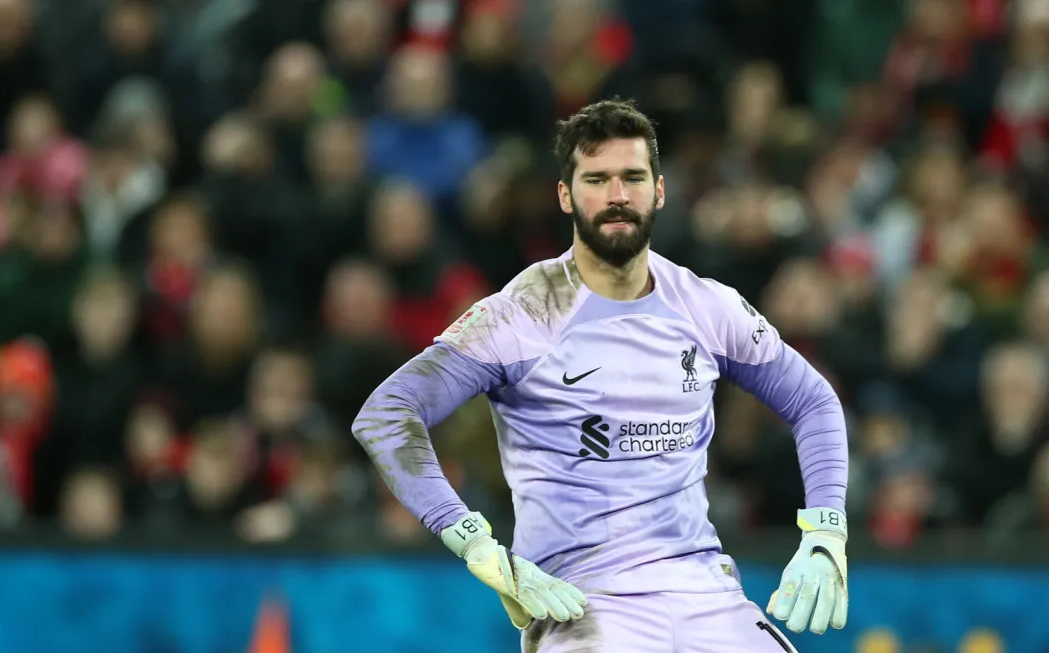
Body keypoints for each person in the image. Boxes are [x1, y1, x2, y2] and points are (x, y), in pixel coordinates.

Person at [352, 98, 849, 652]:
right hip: (582, 601)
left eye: (633, 177)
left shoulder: (706, 306)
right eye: (597, 179)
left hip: (706, 591)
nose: (617, 196)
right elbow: (388, 413)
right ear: (566, 196)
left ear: (659, 190)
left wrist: (826, 531)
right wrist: (476, 543)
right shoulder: (524, 313)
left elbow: (814, 402)